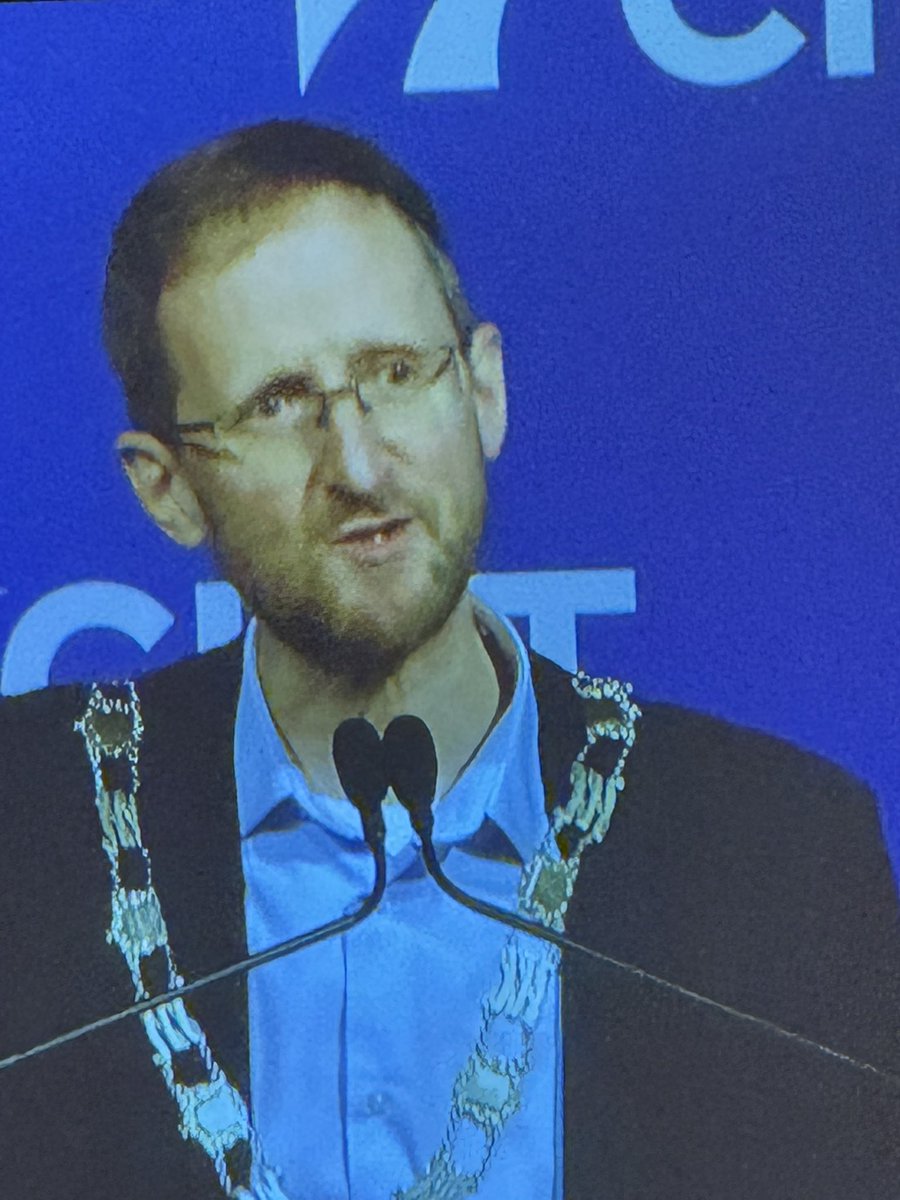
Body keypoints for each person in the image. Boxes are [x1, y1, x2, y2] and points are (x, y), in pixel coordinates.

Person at [1, 120, 898, 1200]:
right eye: (277, 405)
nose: (359, 464)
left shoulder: (776, 854)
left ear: (484, 391)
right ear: (168, 489)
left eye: (395, 371)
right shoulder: (31, 832)